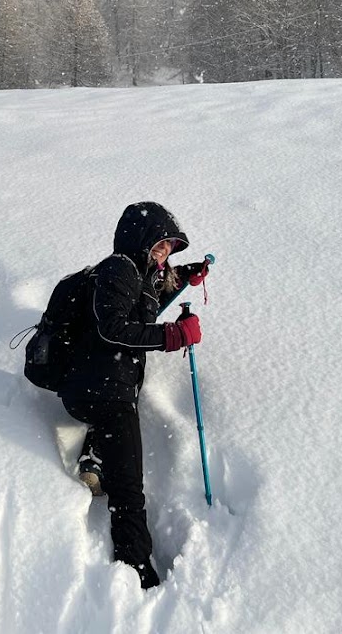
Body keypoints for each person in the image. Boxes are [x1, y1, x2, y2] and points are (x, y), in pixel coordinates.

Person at [58, 201, 205, 590]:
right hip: (102, 390)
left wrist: (187, 274)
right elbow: (114, 328)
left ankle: (94, 456)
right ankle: (136, 566)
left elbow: (148, 300)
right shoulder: (118, 269)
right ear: (139, 240)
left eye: (170, 248)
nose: (165, 254)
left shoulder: (138, 274)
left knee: (118, 443)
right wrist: (171, 336)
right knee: (129, 487)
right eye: (159, 245)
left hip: (102, 388)